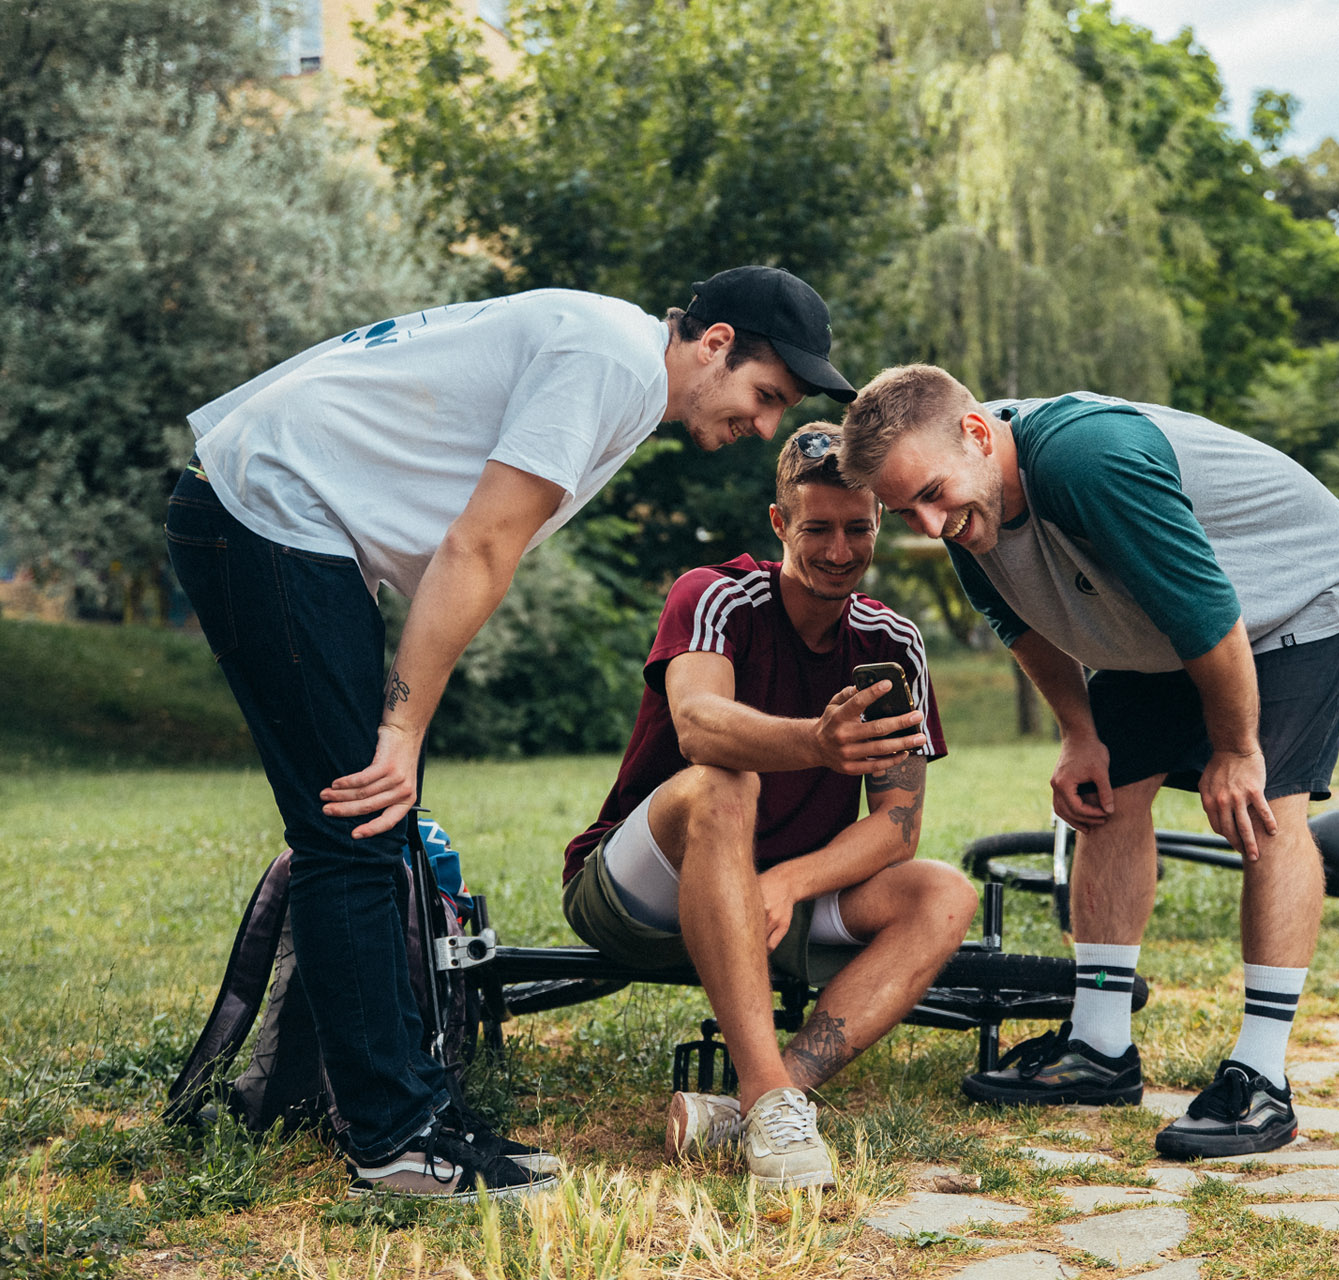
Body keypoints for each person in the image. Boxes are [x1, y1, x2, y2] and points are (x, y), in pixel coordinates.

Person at [166, 267, 857, 1202]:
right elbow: (478, 547)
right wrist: (401, 726)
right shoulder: (612, 363)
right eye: (765, 395)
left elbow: (460, 532)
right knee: (356, 820)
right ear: (715, 342)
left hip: (284, 519)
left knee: (371, 826)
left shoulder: (618, 361)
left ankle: (409, 1111)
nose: (764, 426)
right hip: (269, 513)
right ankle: (394, 1143)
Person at [841, 367, 1339, 1160]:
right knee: (1108, 797)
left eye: (931, 493)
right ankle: (1099, 1048)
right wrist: (1078, 735)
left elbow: (1210, 614)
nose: (926, 523)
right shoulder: (966, 509)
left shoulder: (1091, 462)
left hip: (1296, 594)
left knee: (1267, 811)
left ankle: (1262, 1080)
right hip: (1158, 619)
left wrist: (1236, 751)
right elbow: (1023, 628)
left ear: (978, 436)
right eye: (904, 510)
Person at [560, 423, 977, 1190]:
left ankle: (764, 1099)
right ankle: (769, 1098)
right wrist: (817, 743)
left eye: (858, 528)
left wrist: (786, 883)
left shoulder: (894, 639)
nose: (840, 550)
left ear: (880, 521)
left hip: (771, 902)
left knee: (945, 892)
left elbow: (896, 826)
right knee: (727, 780)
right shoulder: (715, 594)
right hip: (638, 891)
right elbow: (698, 726)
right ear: (780, 523)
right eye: (817, 528)